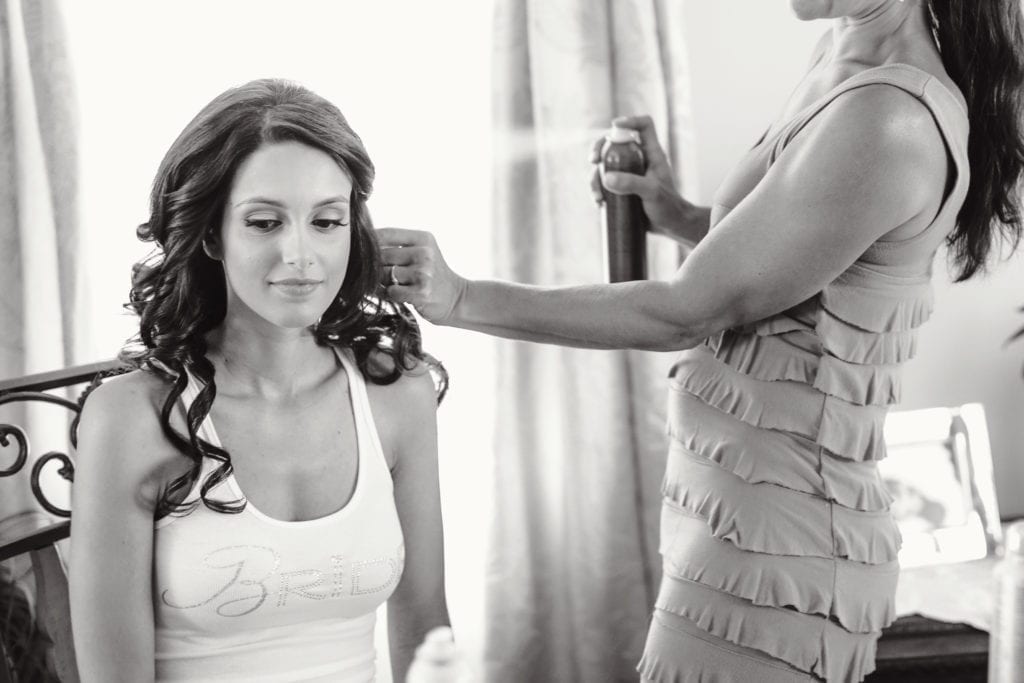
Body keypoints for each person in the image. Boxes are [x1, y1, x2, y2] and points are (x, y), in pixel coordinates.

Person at [378, 1, 1024, 681]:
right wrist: (674, 210)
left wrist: (460, 297)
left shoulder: (889, 116)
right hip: (737, 524)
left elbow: (685, 312)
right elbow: (795, 267)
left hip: (781, 554)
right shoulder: (846, 55)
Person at [68, 79, 450, 683]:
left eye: (326, 221)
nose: (301, 254)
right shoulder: (132, 417)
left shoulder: (398, 395)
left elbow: (427, 634)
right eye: (266, 222)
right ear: (212, 233)